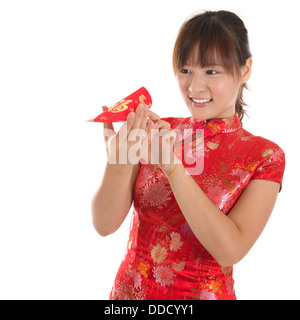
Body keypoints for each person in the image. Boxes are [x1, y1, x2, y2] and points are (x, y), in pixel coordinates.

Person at [91, 10, 285, 300]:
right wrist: (118, 161)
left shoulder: (264, 155)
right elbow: (104, 225)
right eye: (185, 70)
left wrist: (172, 167)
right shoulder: (158, 130)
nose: (194, 87)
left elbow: (229, 250)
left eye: (211, 71)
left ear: (245, 69)